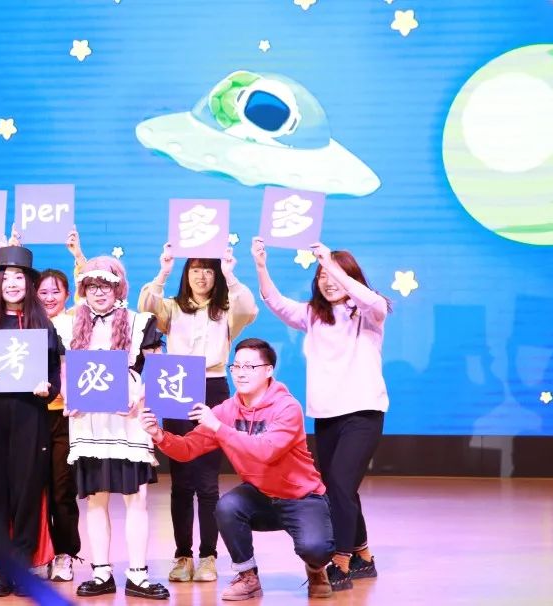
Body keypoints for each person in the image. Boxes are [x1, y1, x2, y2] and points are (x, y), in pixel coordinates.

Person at [140, 338, 335, 601]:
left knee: (316, 549)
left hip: (301, 497)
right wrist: (158, 434)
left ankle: (316, 569)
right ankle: (248, 577)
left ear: (268, 370)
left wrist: (218, 427)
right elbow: (187, 449)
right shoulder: (226, 411)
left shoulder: (287, 407)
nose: (241, 373)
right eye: (236, 366)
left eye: (250, 366)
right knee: (227, 507)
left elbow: (266, 451)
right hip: (261, 495)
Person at [252, 238, 390, 591]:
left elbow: (372, 300)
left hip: (363, 412)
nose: (327, 281)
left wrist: (330, 262)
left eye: (334, 275)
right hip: (327, 415)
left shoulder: (368, 312)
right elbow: (276, 302)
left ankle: (340, 561)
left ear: (350, 277)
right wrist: (261, 266)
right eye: (322, 276)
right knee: (339, 488)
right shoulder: (314, 316)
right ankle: (363, 557)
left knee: (341, 486)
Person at [137, 243, 257, 583]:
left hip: (213, 387)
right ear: (185, 274)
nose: (201, 276)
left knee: (207, 481)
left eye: (208, 270)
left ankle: (208, 556)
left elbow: (249, 307)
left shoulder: (226, 310)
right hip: (176, 386)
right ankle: (182, 555)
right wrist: (163, 270)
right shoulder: (173, 307)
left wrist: (230, 274)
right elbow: (146, 308)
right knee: (181, 481)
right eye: (194, 269)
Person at [66, 256, 170, 600]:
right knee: (95, 500)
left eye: (106, 286)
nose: (99, 292)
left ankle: (138, 574)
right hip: (89, 423)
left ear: (119, 288)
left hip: (128, 421)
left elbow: (159, 369)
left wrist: (141, 397)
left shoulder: (141, 322)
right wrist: (68, 396)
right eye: (92, 286)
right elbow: (64, 370)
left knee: (136, 499)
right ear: (84, 289)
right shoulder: (69, 324)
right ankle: (101, 573)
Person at [0, 245, 64, 598]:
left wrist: (48, 388)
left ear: (29, 283)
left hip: (30, 415)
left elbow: (54, 374)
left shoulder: (43, 324)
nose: (12, 283)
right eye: (6, 277)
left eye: (19, 277)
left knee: (27, 491)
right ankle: (2, 571)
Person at [36, 266, 81, 582]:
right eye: (43, 292)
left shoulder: (77, 324)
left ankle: (65, 554)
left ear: (67, 295)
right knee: (33, 490)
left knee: (62, 489)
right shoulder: (26, 325)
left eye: (56, 291)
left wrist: (78, 256)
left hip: (65, 417)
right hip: (31, 415)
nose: (49, 297)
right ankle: (38, 553)